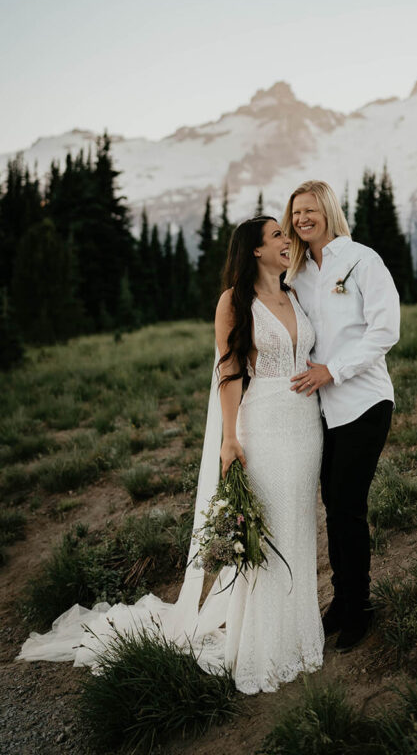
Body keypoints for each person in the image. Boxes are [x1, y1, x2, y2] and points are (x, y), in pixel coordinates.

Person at [16, 215, 324, 695]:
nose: (289, 240)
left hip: (306, 427)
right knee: (268, 533)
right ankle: (260, 645)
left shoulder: (297, 294)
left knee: (300, 526)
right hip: (263, 425)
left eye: (287, 234)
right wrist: (229, 438)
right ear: (255, 251)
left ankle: (299, 635)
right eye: (278, 236)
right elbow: (229, 370)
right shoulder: (233, 301)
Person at [282, 180, 400, 652]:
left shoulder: (362, 260)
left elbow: (386, 330)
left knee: (347, 504)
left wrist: (335, 370)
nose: (302, 219)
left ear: (328, 211)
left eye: (310, 210)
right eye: (295, 214)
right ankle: (342, 601)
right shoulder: (299, 273)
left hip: (365, 401)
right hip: (323, 411)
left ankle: (360, 607)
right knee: (334, 504)